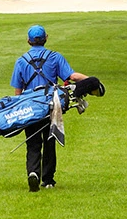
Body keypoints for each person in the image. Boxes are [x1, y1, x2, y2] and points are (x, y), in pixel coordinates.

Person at [12, 24, 91, 192]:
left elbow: (17, 93)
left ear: (28, 41)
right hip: (50, 106)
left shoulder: (21, 61)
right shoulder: (55, 57)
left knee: (33, 144)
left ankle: (33, 172)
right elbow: (72, 77)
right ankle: (48, 179)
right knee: (50, 142)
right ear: (46, 38)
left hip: (30, 106)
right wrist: (93, 81)